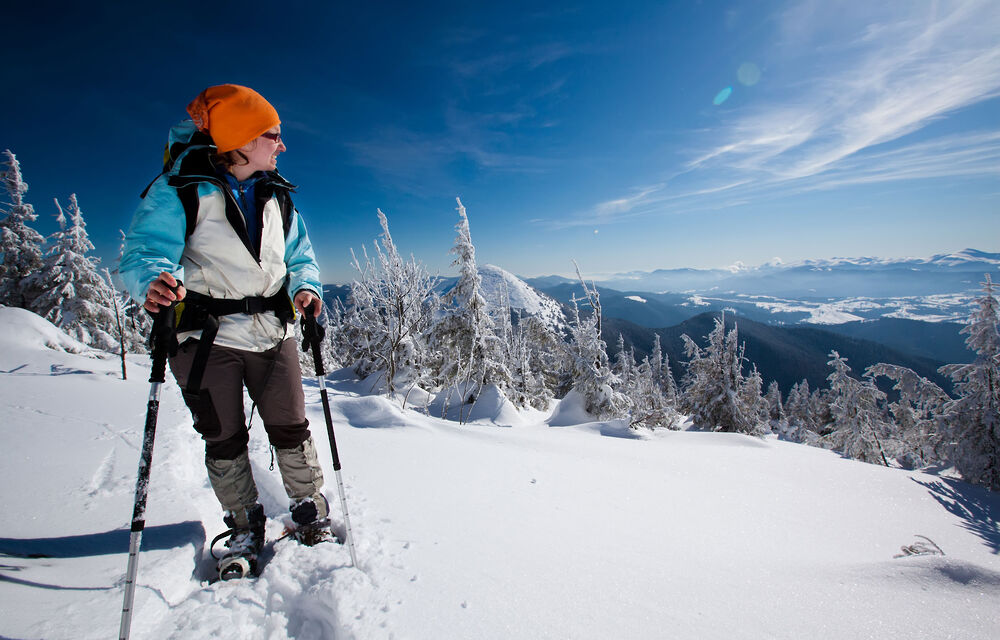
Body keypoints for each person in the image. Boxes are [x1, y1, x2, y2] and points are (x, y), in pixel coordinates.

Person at [120, 84, 329, 578]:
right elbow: (145, 252)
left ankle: (308, 507)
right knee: (224, 436)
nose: (282, 145)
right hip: (205, 339)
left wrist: (306, 288)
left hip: (273, 332)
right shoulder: (181, 190)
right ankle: (243, 522)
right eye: (273, 135)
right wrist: (154, 281)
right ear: (241, 138)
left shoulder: (277, 195)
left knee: (290, 425)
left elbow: (300, 256)